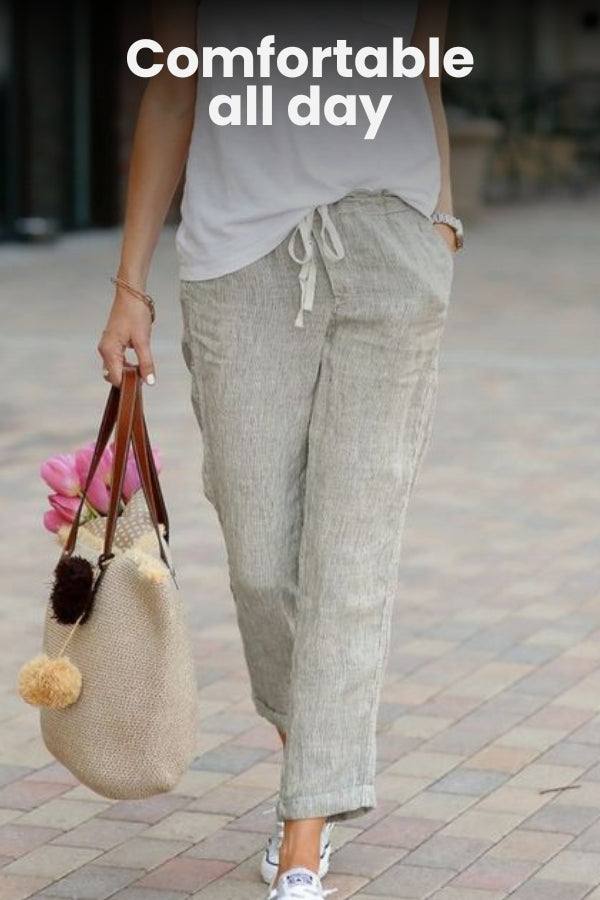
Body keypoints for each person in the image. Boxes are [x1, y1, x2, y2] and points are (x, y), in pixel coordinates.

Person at [98, 2, 461, 897]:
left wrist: (442, 217)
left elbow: (422, 62)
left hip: (390, 243)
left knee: (350, 549)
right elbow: (174, 85)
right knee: (261, 553)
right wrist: (130, 284)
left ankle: (303, 833)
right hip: (237, 260)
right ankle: (317, 755)